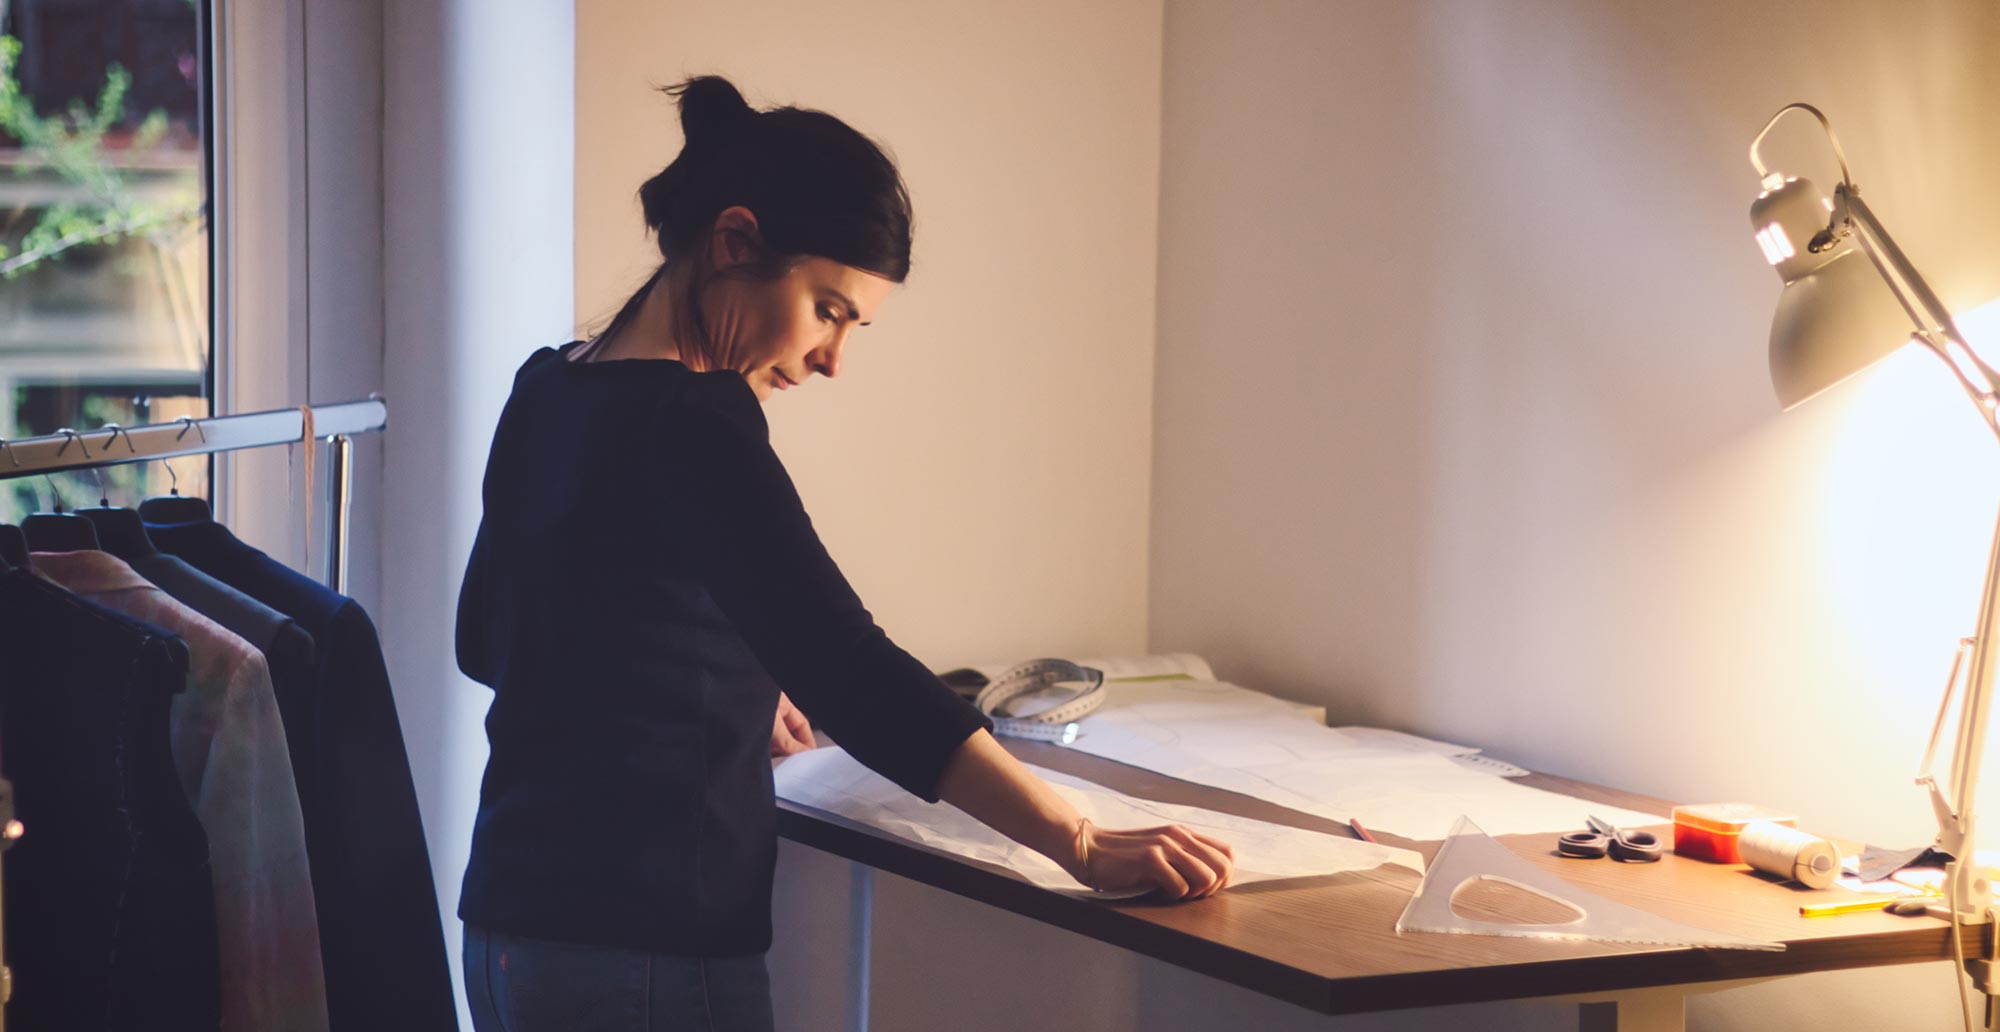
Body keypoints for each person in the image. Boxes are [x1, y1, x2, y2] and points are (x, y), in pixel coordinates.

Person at [454, 75, 1234, 1032]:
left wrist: (727, 675)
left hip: (508, 935)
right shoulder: (697, 420)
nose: (833, 359)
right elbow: (850, 668)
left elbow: (490, 640)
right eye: (828, 308)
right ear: (736, 243)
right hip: (644, 951)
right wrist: (1078, 839)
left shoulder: (547, 389)